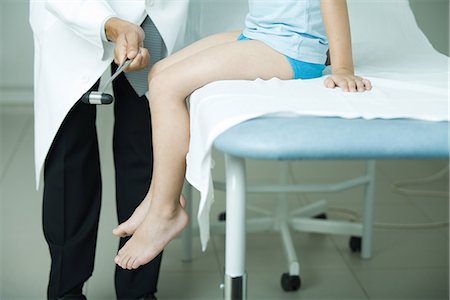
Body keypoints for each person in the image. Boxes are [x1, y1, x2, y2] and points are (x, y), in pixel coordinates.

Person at [112, 0, 372, 270]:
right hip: (261, 34)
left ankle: (166, 213)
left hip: (288, 48)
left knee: (167, 86)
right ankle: (159, 195)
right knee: (159, 73)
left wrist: (343, 68)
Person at [29, 1, 189, 299]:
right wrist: (109, 24)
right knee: (69, 157)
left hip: (152, 15)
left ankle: (139, 290)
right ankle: (66, 290)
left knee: (148, 151)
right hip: (69, 19)